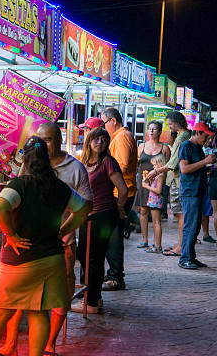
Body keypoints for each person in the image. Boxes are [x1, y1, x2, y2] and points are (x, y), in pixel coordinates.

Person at [0, 136, 91, 356]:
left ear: (24, 159)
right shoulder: (60, 188)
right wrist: (63, 230)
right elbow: (83, 209)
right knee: (39, 313)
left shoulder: (20, 185)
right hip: (51, 260)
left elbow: (1, 206)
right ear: (48, 160)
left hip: (19, 261)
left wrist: (12, 235)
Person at [71, 127, 128, 314]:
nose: (100, 142)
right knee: (85, 257)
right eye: (96, 139)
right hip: (87, 216)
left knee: (93, 259)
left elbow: (123, 190)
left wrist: (119, 208)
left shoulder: (108, 162)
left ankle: (92, 303)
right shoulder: (84, 162)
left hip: (102, 215)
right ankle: (93, 297)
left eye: (104, 139)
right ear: (89, 141)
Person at [100, 107, 136, 291]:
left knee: (113, 237)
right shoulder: (120, 136)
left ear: (113, 121)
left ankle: (116, 276)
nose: (103, 128)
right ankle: (113, 273)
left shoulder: (122, 137)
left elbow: (120, 166)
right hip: (118, 192)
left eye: (104, 123)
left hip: (121, 193)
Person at [146, 111, 191, 257]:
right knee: (179, 213)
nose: (169, 126)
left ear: (177, 122)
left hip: (177, 179)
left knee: (180, 214)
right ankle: (180, 244)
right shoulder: (182, 136)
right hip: (175, 179)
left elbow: (172, 163)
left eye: (170, 123)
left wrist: (156, 171)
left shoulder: (182, 137)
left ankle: (180, 246)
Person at [178, 122, 216, 270]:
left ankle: (191, 256)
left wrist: (210, 166)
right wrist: (205, 161)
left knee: (195, 226)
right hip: (190, 192)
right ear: (198, 133)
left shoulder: (198, 148)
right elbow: (184, 169)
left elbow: (198, 167)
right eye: (205, 136)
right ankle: (185, 258)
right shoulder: (186, 146)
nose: (207, 140)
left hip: (198, 191)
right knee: (190, 226)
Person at [136, 121, 171, 249]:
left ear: (159, 132)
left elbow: (168, 167)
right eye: (149, 129)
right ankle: (144, 240)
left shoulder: (164, 148)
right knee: (143, 211)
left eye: (154, 129)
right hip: (144, 183)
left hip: (157, 184)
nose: (151, 131)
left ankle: (157, 244)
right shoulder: (141, 146)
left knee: (156, 215)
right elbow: (136, 163)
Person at [141, 154, 167, 253]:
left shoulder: (161, 175)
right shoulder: (158, 175)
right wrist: (150, 180)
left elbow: (158, 190)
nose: (153, 167)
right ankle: (156, 244)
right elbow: (155, 186)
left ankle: (158, 246)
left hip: (156, 200)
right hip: (153, 200)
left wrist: (146, 186)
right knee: (155, 223)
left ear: (160, 164)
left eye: (155, 165)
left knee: (156, 223)